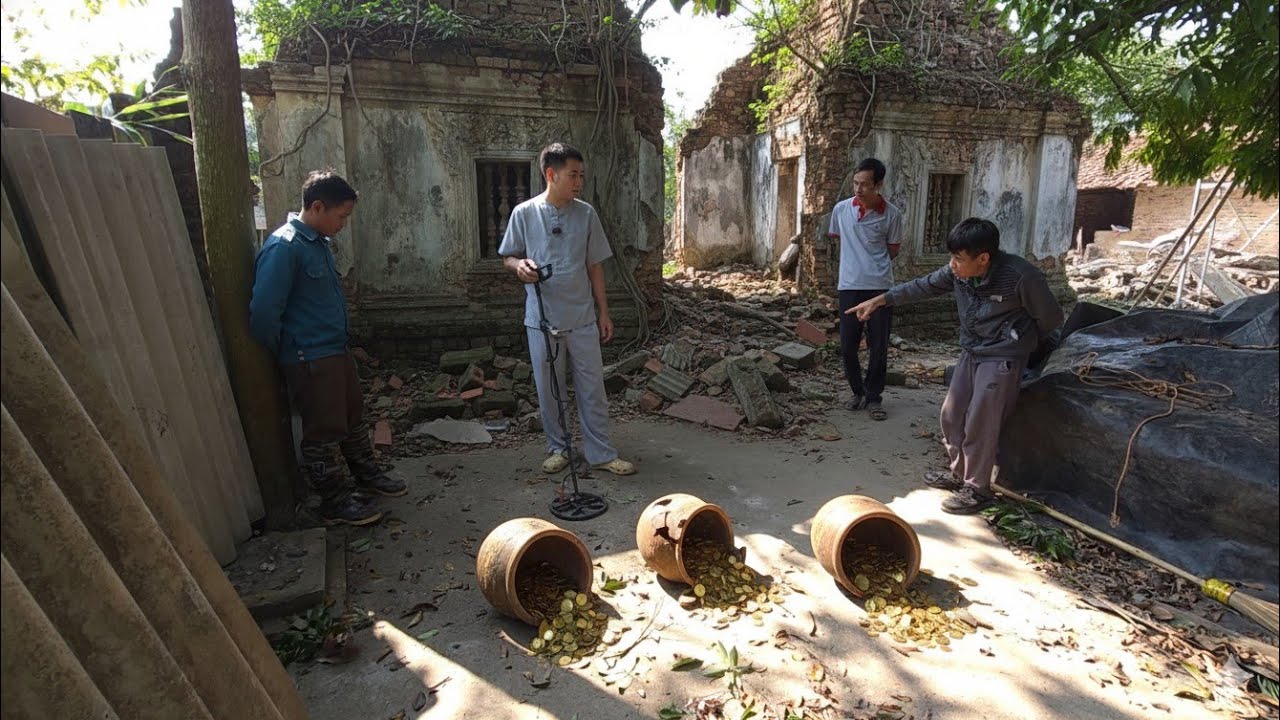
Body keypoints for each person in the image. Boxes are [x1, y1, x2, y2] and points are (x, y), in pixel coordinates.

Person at [847, 217, 1063, 514]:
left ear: (983, 258)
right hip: (971, 350)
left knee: (981, 419)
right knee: (952, 414)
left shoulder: (1022, 277)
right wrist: (881, 300)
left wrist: (1017, 339)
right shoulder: (958, 272)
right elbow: (922, 286)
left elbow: (1050, 319)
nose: (952, 264)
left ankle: (978, 488)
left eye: (958, 258)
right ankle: (959, 473)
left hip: (1003, 356)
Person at [249, 170, 407, 526]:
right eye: (341, 216)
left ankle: (367, 476)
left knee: (351, 418)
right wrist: (292, 350)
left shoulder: (316, 243)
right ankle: (334, 499)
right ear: (318, 206)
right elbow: (263, 313)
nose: (343, 224)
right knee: (323, 430)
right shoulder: (284, 246)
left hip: (334, 350)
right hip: (309, 356)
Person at [499, 143, 636, 478]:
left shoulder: (586, 214)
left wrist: (604, 312)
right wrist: (520, 266)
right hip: (541, 318)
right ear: (551, 174)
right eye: (573, 175)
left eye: (581, 176)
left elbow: (595, 267)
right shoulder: (524, 213)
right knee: (549, 388)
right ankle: (559, 448)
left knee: (592, 387)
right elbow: (508, 257)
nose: (579, 182)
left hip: (582, 316)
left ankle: (601, 452)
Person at [828, 157, 903, 421]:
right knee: (848, 345)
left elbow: (893, 250)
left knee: (878, 345)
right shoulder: (841, 210)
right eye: (855, 183)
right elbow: (838, 241)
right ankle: (857, 391)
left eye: (865, 185)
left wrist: (871, 266)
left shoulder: (892, 215)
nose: (858, 190)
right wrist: (853, 267)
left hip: (880, 288)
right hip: (849, 286)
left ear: (879, 185)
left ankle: (874, 397)